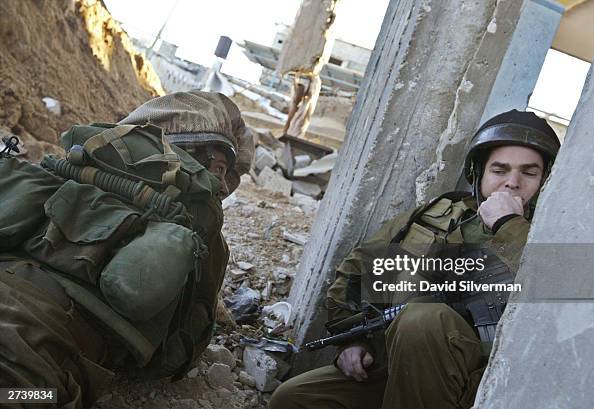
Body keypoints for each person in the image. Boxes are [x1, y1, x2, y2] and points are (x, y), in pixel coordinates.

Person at [269, 110, 560, 409]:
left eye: (528, 172)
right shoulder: (437, 213)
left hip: (475, 386)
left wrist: (508, 226)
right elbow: (358, 271)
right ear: (478, 172)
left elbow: (556, 296)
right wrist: (352, 340)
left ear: (546, 179)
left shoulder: (551, 232)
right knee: (294, 400)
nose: (512, 182)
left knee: (422, 320)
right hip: (396, 363)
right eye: (499, 170)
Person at [0, 91, 254, 408]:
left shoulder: (80, 159)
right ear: (211, 164)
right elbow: (181, 350)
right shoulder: (199, 227)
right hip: (34, 352)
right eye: (221, 169)